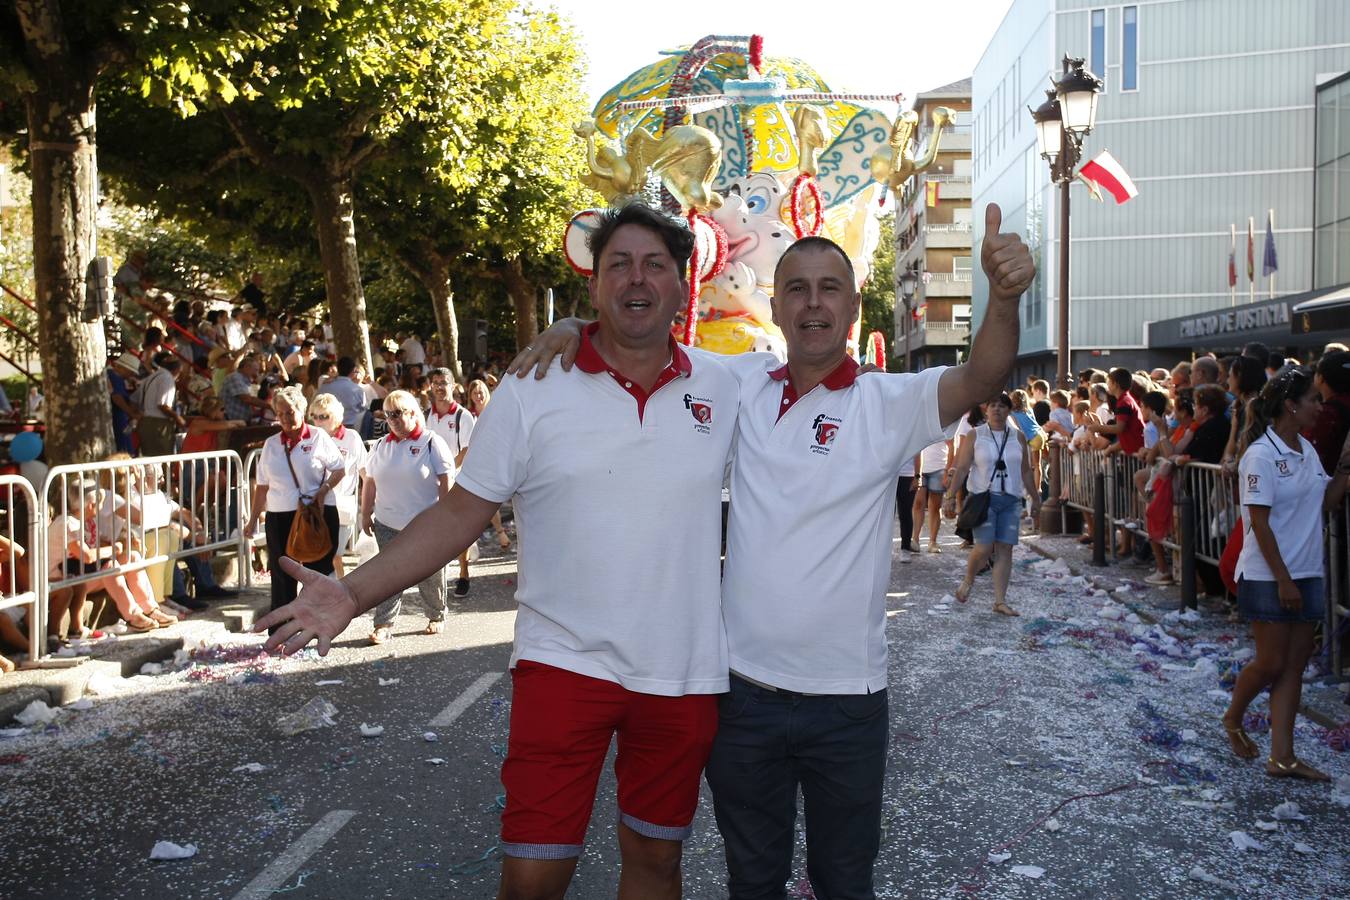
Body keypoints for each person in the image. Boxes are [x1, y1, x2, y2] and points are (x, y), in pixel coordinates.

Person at [510, 204, 1034, 897]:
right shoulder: (739, 382)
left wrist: (1003, 298)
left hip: (848, 701)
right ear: (777, 307)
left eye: (828, 288)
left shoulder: (887, 401)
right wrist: (575, 325)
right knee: (751, 879)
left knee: (844, 881)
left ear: (852, 307)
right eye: (796, 288)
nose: (812, 302)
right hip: (744, 698)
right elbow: (641, 334)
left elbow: (981, 374)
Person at [258, 203, 744, 898]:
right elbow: (461, 509)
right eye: (619, 265)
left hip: (683, 671)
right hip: (563, 665)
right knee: (532, 880)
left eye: (655, 265)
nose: (637, 280)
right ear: (594, 285)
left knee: (657, 863)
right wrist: (355, 591)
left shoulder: (729, 386)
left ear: (680, 282)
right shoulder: (532, 385)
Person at [1223, 367, 1350, 781]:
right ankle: (1233, 717)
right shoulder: (1260, 454)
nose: (1319, 406)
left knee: (1295, 664)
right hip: (1269, 574)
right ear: (1292, 406)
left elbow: (1326, 502)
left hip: (1307, 569)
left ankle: (1283, 756)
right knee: (1271, 662)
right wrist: (1283, 579)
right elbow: (1258, 524)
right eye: (1313, 399)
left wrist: (1346, 470)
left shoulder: (1307, 450)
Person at [243, 386, 344, 626]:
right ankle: (281, 627)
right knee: (281, 573)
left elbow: (339, 469)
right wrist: (253, 519)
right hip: (280, 514)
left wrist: (323, 491)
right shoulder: (271, 444)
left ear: (302, 410)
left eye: (290, 412)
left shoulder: (319, 436)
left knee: (317, 570)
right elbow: (262, 486)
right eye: (280, 414)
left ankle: (319, 621)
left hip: (316, 513)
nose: (286, 419)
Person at [361, 391, 455, 644]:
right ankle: (383, 623)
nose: (392, 419)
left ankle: (436, 615)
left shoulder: (431, 442)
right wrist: (365, 513)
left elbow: (446, 479)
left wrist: (445, 517)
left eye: (398, 413)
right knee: (388, 575)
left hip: (424, 523)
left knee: (430, 573)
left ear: (413, 413)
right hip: (387, 521)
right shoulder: (381, 446)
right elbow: (369, 481)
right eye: (388, 414)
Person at [945, 394, 1041, 616]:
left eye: (1002, 406)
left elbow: (1026, 470)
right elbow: (962, 467)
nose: (997, 409)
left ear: (1009, 411)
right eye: (993, 405)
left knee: (1005, 549)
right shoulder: (975, 435)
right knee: (985, 547)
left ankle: (1000, 601)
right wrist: (950, 495)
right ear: (986, 410)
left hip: (1011, 499)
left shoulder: (1017, 437)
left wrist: (1035, 498)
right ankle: (968, 579)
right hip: (984, 497)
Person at [425, 367, 481, 591]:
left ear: (452, 386)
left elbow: (469, 448)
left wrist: (448, 469)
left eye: (443, 382)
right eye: (436, 382)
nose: (439, 387)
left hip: (458, 478)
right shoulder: (427, 415)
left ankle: (463, 572)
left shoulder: (463, 416)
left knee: (459, 527)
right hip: (433, 480)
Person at [307, 394, 366, 579]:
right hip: (315, 506)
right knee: (319, 557)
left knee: (335, 556)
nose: (318, 421)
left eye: (323, 416)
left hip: (341, 506)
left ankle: (341, 592)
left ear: (336, 416)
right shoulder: (311, 437)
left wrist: (370, 503)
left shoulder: (351, 437)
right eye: (315, 416)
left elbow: (365, 471)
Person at [464, 378, 513, 558]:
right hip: (477, 460)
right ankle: (499, 533)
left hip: (499, 456)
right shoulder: (468, 415)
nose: (478, 395)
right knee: (487, 498)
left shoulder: (496, 410)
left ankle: (500, 533)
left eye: (481, 391)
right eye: (475, 392)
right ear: (470, 396)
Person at [136, 353, 183, 457]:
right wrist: (178, 418)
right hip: (159, 425)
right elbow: (163, 405)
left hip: (146, 421)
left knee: (149, 460)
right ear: (176, 370)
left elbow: (134, 399)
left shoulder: (151, 377)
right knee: (163, 462)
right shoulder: (167, 378)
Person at [913, 437, 952, 554]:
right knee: (918, 503)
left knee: (935, 507)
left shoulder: (944, 423)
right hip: (919, 468)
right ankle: (915, 539)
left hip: (939, 467)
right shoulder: (920, 421)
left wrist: (947, 471)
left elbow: (952, 447)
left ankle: (932, 541)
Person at [317, 356, 369, 431]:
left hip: (327, 426)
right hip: (349, 427)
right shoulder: (357, 389)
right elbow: (363, 409)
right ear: (353, 370)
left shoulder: (325, 386)